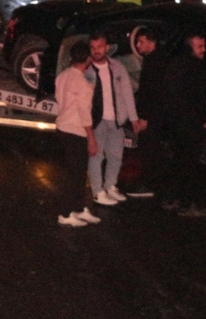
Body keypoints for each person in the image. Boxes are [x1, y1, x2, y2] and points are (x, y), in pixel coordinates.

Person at [161, 34, 206, 217]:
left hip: (178, 124)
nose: (204, 50)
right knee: (189, 165)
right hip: (190, 125)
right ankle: (188, 203)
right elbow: (198, 97)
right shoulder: (193, 68)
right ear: (190, 47)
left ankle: (172, 198)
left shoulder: (176, 65)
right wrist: (204, 119)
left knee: (179, 161)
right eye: (200, 46)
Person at [86, 32, 141, 207]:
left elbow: (127, 93)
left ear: (107, 48)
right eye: (93, 48)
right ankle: (97, 191)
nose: (96, 51)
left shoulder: (117, 67)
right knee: (96, 157)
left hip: (116, 120)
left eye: (100, 47)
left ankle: (110, 186)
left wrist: (133, 118)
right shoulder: (86, 70)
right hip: (97, 121)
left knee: (116, 156)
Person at [53, 41, 101, 227]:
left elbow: (59, 98)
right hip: (76, 131)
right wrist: (91, 138)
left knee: (78, 173)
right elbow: (84, 112)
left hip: (63, 127)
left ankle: (79, 209)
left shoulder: (63, 76)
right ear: (88, 59)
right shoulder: (83, 83)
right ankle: (65, 213)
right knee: (75, 174)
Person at [124, 28, 167, 199]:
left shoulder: (155, 63)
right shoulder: (156, 60)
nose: (138, 45)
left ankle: (149, 184)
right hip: (154, 116)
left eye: (141, 41)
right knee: (152, 150)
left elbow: (153, 93)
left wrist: (146, 118)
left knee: (149, 150)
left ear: (151, 42)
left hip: (151, 118)